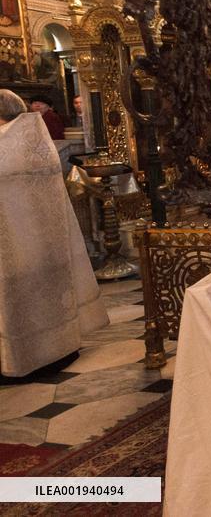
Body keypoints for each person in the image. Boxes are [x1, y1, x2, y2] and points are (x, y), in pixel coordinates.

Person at [0, 90, 108, 376]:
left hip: (15, 249)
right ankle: (58, 346)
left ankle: (30, 357)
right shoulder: (33, 137)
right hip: (44, 245)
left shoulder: (8, 143)